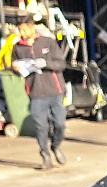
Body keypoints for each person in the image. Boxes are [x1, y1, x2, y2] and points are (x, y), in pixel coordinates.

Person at [11, 15, 66, 170]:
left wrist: (46, 63)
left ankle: (56, 146)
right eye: (19, 30)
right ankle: (45, 155)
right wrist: (15, 68)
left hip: (55, 90)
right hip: (35, 92)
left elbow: (61, 64)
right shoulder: (18, 48)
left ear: (32, 27)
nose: (22, 33)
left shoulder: (48, 42)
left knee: (59, 124)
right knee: (41, 126)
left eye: (24, 29)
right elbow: (16, 69)